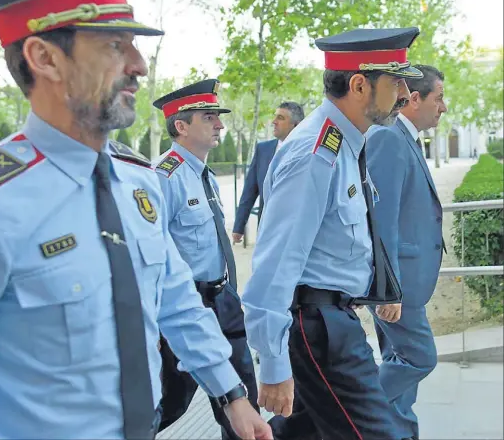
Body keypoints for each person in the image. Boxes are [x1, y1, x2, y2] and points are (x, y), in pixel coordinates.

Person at [0, 0, 271, 440]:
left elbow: (176, 300)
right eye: (115, 47)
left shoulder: (139, 182)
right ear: (44, 58)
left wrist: (232, 395)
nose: (139, 66)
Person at [242, 27, 425, 440]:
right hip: (319, 328)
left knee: (297, 433)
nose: (403, 95)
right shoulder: (315, 152)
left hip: (332, 318)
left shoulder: (345, 144)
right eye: (395, 82)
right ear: (359, 85)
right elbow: (276, 264)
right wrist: (272, 365)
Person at [153, 80, 259, 439]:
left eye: (217, 116)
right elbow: (153, 256)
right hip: (184, 309)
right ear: (180, 126)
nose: (220, 125)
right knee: (170, 404)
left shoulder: (204, 174)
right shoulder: (163, 178)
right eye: (208, 117)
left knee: (244, 402)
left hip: (224, 300)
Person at [365, 65, 447, 440]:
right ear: (414, 99)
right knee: (420, 357)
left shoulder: (406, 138)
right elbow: (382, 220)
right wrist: (390, 287)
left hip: (407, 282)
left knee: (401, 365)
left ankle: (398, 433)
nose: (443, 107)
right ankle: (348, 409)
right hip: (398, 285)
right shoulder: (389, 138)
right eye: (439, 97)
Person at [232, 102, 305, 244]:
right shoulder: (263, 150)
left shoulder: (309, 152)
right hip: (267, 230)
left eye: (280, 118)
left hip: (297, 233)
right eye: (275, 117)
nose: (274, 122)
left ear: (296, 125)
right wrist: (238, 226)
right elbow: (250, 190)